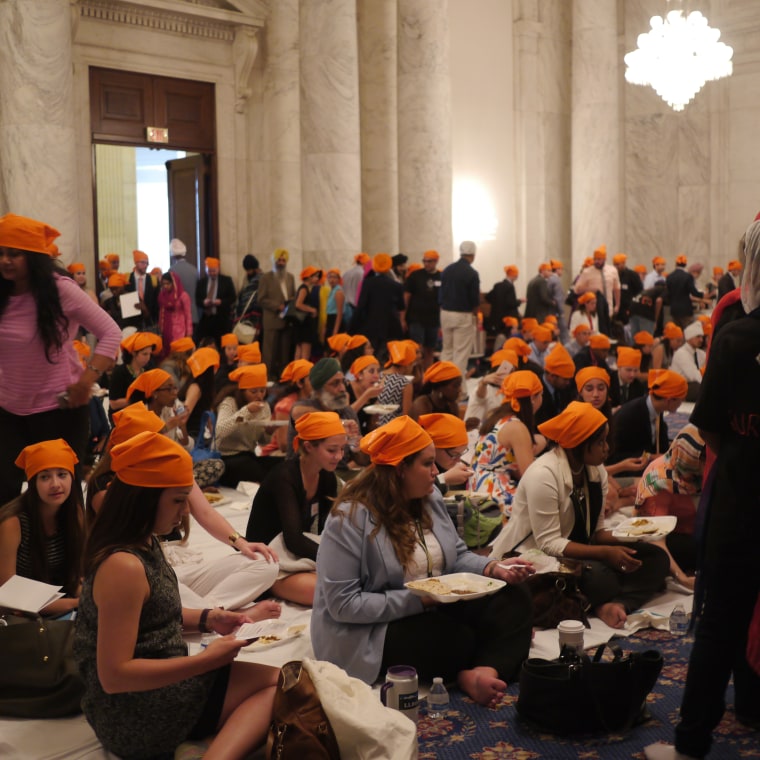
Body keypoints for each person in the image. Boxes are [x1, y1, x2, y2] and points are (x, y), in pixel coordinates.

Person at [73, 431, 279, 759]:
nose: (185, 512)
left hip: (156, 687)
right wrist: (203, 661)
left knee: (287, 682)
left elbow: (151, 615)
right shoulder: (122, 566)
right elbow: (114, 677)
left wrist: (210, 619)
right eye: (177, 500)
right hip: (136, 712)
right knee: (282, 688)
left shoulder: (144, 540)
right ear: (144, 498)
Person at [311, 415, 535, 704]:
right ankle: (483, 661)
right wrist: (420, 600)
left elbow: (458, 557)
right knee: (455, 639)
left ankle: (481, 671)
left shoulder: (429, 499)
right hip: (371, 628)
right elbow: (344, 605)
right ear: (400, 469)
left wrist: (493, 567)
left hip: (433, 607)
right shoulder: (351, 517)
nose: (437, 471)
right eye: (427, 463)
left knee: (515, 595)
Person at [643, 221, 760, 760]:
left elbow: (708, 425)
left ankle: (691, 744)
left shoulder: (735, 335)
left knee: (720, 623)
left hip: (742, 497)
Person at [491, 402, 670, 629]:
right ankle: (600, 601)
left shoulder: (596, 470)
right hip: (536, 555)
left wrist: (635, 536)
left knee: (656, 558)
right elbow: (548, 544)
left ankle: (617, 604)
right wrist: (606, 553)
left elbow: (596, 533)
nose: (607, 448)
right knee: (601, 578)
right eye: (600, 442)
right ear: (579, 444)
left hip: (577, 553)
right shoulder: (543, 474)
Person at [0, 214, 121, 504]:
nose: (5, 260)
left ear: (33, 257)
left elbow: (111, 333)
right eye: (1, 253)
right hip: (8, 412)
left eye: (14, 254)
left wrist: (86, 380)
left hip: (58, 411)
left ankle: (66, 550)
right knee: (4, 493)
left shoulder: (60, 290)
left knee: (58, 501)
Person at [245, 411, 346, 606]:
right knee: (330, 593)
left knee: (349, 582)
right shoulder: (284, 477)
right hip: (268, 560)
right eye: (332, 450)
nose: (339, 456)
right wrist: (335, 559)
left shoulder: (326, 476)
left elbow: (325, 529)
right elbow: (293, 539)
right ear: (308, 447)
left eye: (342, 449)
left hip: (297, 555)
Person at [0, 439, 83, 617]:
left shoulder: (73, 513)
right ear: (32, 483)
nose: (55, 484)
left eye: (62, 474)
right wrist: (76, 602)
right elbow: (8, 594)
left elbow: (77, 575)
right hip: (16, 616)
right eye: (45, 477)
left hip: (60, 607)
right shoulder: (13, 521)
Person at [634, 424, 703, 590]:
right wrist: (683, 579)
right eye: (704, 458)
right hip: (668, 540)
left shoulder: (697, 476)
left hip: (694, 532)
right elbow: (655, 539)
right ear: (690, 457)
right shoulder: (659, 482)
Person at [468, 370, 544, 519]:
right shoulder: (517, 427)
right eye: (541, 395)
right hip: (494, 496)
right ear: (533, 398)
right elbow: (529, 477)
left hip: (478, 489)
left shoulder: (495, 417)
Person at [608, 369, 688, 475]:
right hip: (624, 472)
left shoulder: (657, 410)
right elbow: (613, 456)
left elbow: (662, 448)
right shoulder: (630, 416)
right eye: (681, 400)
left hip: (648, 468)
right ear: (669, 400)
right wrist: (649, 457)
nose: (681, 404)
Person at [214, 364, 273, 486]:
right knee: (255, 470)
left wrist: (269, 432)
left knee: (278, 465)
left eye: (262, 390)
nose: (259, 396)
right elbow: (220, 431)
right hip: (228, 456)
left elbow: (263, 442)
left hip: (250, 454)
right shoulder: (230, 403)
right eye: (253, 391)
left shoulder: (264, 406)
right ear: (242, 391)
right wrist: (246, 411)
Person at [354, 253, 405, 363]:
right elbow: (401, 307)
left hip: (371, 326)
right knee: (387, 357)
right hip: (391, 326)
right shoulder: (396, 285)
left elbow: (361, 305)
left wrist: (353, 326)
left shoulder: (367, 283)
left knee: (371, 355)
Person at [439, 241, 480, 375]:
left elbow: (441, 293)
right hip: (462, 315)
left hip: (445, 313)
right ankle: (457, 389)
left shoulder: (447, 269)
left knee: (447, 350)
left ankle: (443, 380)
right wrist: (475, 316)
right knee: (460, 353)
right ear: (473, 255)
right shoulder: (471, 273)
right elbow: (474, 299)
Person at [257, 248, 296, 376]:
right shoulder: (266, 278)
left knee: (285, 351)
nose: (281, 262)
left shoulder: (290, 277)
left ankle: (283, 376)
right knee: (270, 352)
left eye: (283, 260)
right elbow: (261, 299)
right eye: (279, 260)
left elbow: (294, 296)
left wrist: (290, 302)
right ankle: (267, 376)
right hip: (272, 319)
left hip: (286, 319)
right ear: (274, 261)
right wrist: (277, 306)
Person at [109, 332, 162, 416]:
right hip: (123, 417)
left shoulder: (148, 370)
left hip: (143, 414)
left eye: (149, 354)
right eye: (144, 354)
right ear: (133, 353)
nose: (148, 358)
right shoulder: (119, 372)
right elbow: (113, 404)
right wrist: (136, 400)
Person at [404, 250, 442, 369]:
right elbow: (406, 296)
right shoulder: (415, 275)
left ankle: (427, 375)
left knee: (430, 348)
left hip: (433, 318)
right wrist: (403, 317)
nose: (426, 264)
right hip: (416, 318)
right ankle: (416, 374)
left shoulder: (441, 277)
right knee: (417, 348)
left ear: (436, 261)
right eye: (424, 261)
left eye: (429, 261)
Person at [195, 257, 236, 344]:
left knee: (221, 343)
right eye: (210, 271)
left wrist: (221, 302)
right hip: (206, 320)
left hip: (221, 319)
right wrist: (203, 302)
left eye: (214, 271)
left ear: (218, 269)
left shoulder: (226, 281)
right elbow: (197, 299)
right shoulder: (201, 282)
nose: (212, 273)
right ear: (206, 270)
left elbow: (233, 297)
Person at [535, 343, 576, 426]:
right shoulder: (535, 392)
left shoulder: (565, 388)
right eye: (565, 379)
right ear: (552, 376)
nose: (568, 382)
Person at [375, 340, 415, 426]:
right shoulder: (405, 383)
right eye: (412, 363)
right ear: (407, 364)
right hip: (393, 429)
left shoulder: (378, 376)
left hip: (374, 428)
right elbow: (406, 416)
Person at [157, 271, 193, 360]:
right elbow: (161, 313)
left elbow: (188, 315)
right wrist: (160, 329)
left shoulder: (183, 296)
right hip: (166, 329)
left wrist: (189, 334)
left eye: (168, 283)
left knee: (178, 353)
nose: (165, 286)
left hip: (180, 330)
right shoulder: (162, 296)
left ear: (174, 283)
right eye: (163, 284)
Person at [346, 354, 383, 434]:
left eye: (378, 371)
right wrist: (366, 396)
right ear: (359, 375)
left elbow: (370, 426)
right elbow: (345, 416)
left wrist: (376, 417)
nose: (377, 376)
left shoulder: (373, 392)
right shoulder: (346, 389)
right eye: (371, 371)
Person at [669, 321, 706, 401]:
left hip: (692, 386)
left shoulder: (700, 354)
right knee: (699, 387)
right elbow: (693, 376)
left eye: (702, 337)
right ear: (690, 338)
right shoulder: (681, 353)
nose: (701, 340)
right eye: (698, 337)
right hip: (680, 388)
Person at [168, 238, 200, 330]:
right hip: (193, 314)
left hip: (178, 315)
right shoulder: (194, 269)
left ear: (173, 256)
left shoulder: (172, 270)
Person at [292, 266, 321, 360]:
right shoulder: (304, 289)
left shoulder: (304, 288)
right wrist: (312, 310)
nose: (317, 278)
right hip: (305, 326)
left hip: (301, 325)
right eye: (315, 276)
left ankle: (296, 372)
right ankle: (304, 373)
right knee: (305, 354)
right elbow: (298, 304)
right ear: (309, 277)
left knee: (299, 352)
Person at [127, 249, 159, 330]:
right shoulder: (127, 279)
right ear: (136, 263)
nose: (146, 265)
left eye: (147, 263)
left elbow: (156, 303)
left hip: (149, 322)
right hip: (131, 322)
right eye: (142, 263)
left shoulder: (153, 280)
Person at [323, 267, 347, 342]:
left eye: (334, 277)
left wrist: (335, 331)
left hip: (336, 321)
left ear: (339, 279)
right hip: (330, 320)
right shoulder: (331, 291)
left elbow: (339, 313)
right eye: (330, 277)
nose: (332, 280)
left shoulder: (338, 292)